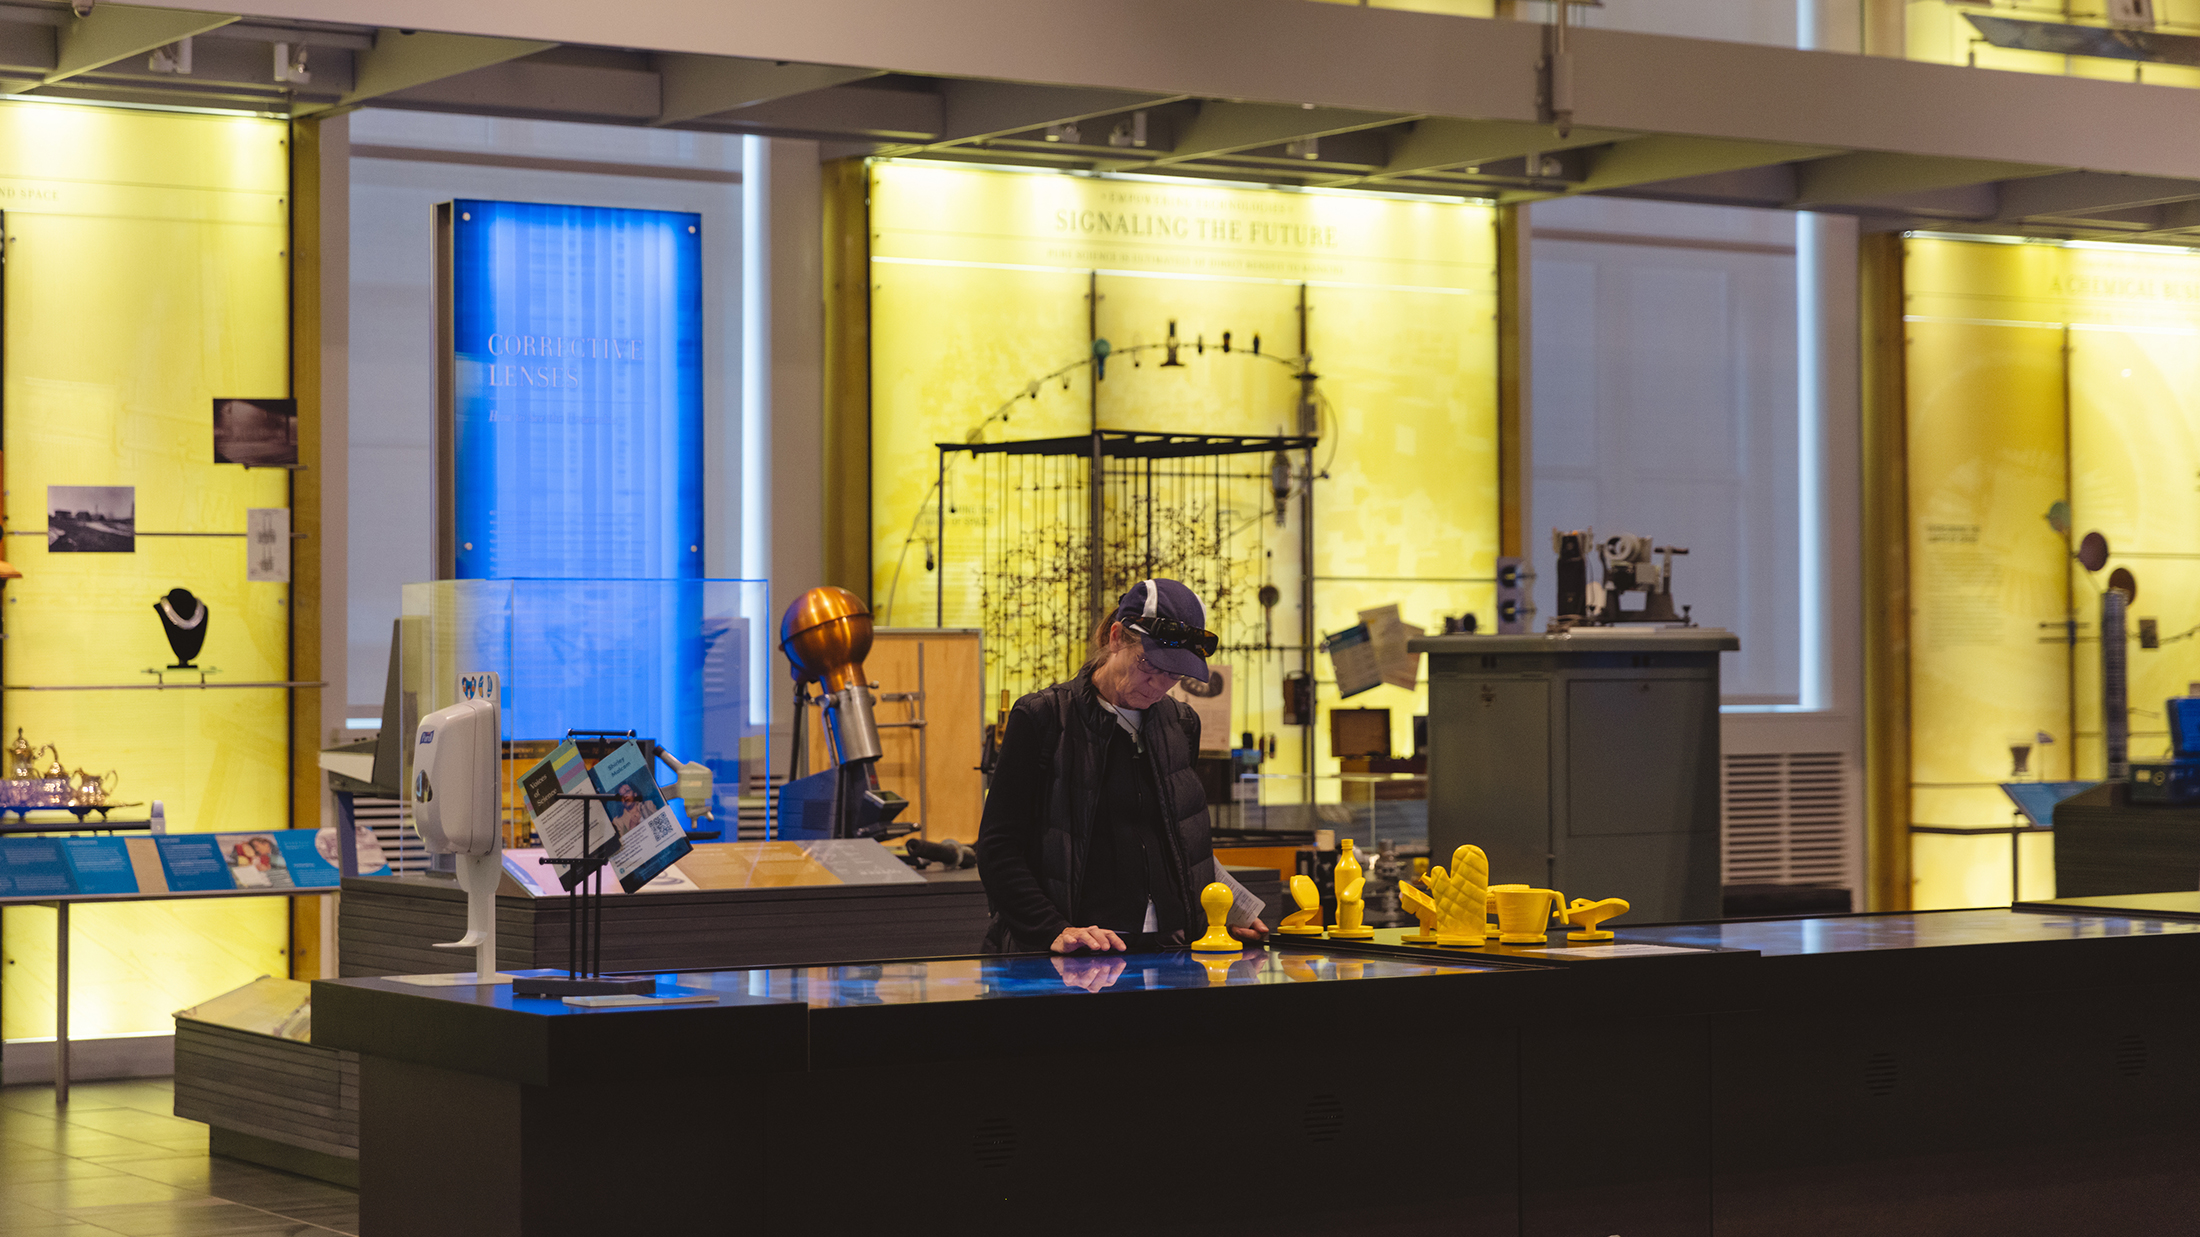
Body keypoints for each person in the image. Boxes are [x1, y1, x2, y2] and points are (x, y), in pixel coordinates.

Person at [977, 578, 1268, 953]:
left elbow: (1180, 841)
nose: (1159, 684)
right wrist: (1053, 929)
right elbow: (999, 848)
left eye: (1174, 674)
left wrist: (1227, 913)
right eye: (1150, 665)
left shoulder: (1181, 725)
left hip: (1166, 948)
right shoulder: (1044, 718)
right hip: (1076, 952)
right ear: (1116, 638)